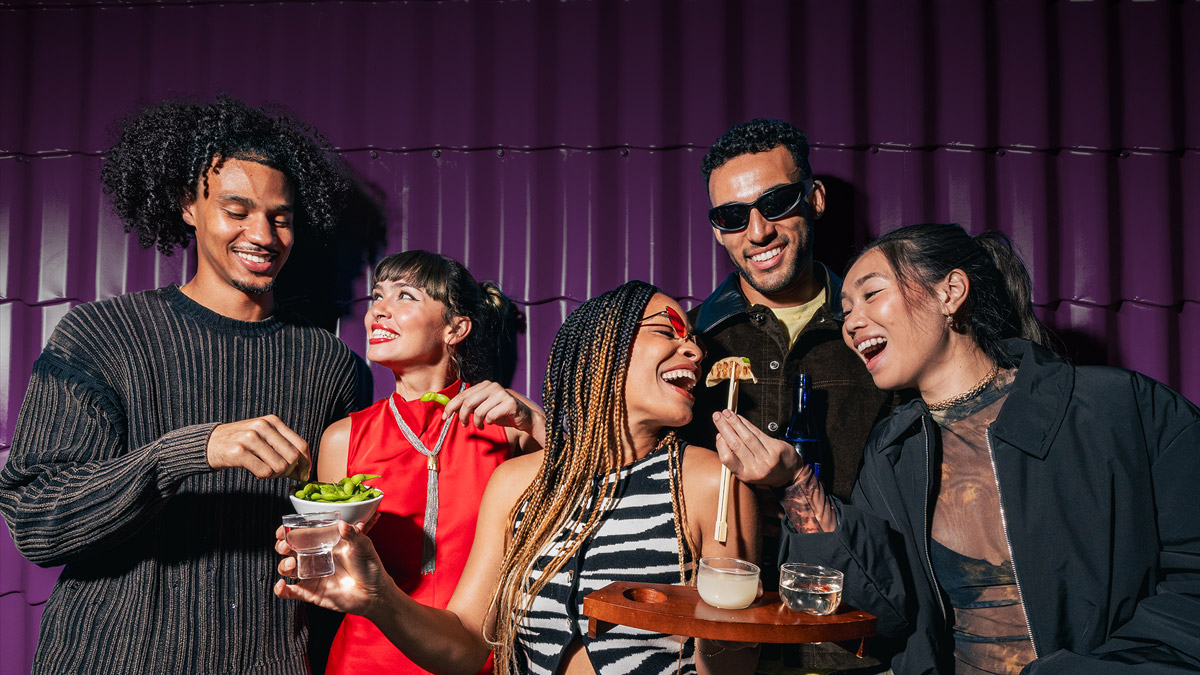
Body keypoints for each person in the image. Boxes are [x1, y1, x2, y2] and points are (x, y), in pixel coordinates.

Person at [716, 223, 1200, 674]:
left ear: (950, 292)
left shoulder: (1123, 407)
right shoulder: (894, 452)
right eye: (846, 312)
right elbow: (883, 613)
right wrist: (794, 479)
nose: (851, 324)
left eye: (871, 295)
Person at [0, 95, 374, 674]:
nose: (264, 234)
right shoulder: (102, 334)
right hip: (111, 662)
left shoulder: (333, 366)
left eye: (280, 216)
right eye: (236, 209)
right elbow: (39, 522)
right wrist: (191, 450)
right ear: (188, 207)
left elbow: (333, 537)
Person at [275, 281, 761, 675]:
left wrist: (733, 628)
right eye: (669, 330)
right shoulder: (514, 483)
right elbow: (467, 647)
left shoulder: (713, 482)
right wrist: (380, 598)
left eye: (693, 339)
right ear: (601, 349)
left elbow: (731, 666)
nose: (693, 350)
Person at [686, 118, 893, 672]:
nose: (757, 232)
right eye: (732, 216)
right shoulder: (689, 343)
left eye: (776, 203)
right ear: (718, 231)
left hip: (858, 635)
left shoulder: (881, 328)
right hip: (727, 644)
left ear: (815, 198)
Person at [319, 249, 544, 674]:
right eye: (376, 297)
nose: (378, 312)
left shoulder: (512, 425)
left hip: (479, 658)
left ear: (455, 328)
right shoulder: (342, 438)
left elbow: (591, 495)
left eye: (405, 296)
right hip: (363, 660)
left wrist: (537, 422)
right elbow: (333, 568)